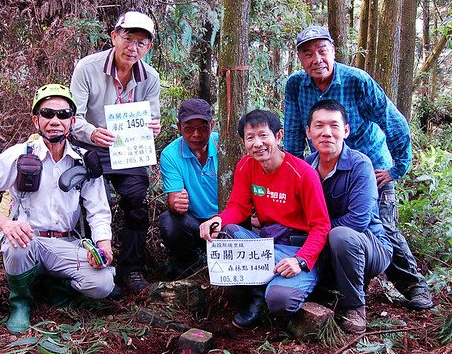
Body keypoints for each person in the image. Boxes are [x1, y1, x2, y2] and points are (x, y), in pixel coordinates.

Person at [284, 25, 434, 310]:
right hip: (324, 171)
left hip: (371, 168)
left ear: (333, 52)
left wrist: (397, 168)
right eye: (308, 54)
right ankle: (333, 286)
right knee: (325, 226)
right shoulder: (295, 85)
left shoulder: (356, 81)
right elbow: (293, 134)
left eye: (322, 51)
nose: (316, 59)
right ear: (300, 60)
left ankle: (414, 286)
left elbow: (394, 122)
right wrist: (294, 176)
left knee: (382, 227)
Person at [0, 84, 117, 334]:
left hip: (66, 243)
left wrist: (103, 245)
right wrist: (5, 223)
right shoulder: (20, 155)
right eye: (47, 113)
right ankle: (20, 302)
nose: (55, 120)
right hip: (28, 240)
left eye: (63, 114)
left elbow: (98, 210)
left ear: (72, 121)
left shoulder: (85, 161)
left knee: (103, 284)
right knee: (16, 245)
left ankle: (57, 286)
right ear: (36, 120)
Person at [199, 109, 330, 329]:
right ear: (243, 141)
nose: (258, 143)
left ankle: (303, 282)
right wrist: (218, 219)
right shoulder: (246, 166)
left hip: (296, 248)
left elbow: (321, 226)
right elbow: (238, 208)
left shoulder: (303, 173)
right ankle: (256, 294)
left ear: (278, 137)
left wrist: (301, 260)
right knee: (226, 231)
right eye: (250, 137)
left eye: (263, 135)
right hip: (267, 244)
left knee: (280, 301)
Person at [70, 11, 161, 293]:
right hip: (90, 145)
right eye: (128, 39)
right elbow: (73, 117)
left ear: (149, 47)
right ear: (114, 37)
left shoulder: (150, 76)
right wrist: (92, 133)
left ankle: (130, 270)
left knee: (136, 200)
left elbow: (152, 117)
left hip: (127, 149)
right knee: (89, 201)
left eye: (141, 43)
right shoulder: (88, 68)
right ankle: (85, 263)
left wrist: (153, 128)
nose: (133, 48)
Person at [305, 99, 392, 333]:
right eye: (319, 126)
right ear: (309, 132)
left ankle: (355, 307)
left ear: (345, 131)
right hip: (326, 243)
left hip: (368, 246)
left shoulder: (360, 165)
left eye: (334, 126)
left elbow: (358, 221)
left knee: (341, 235)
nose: (326, 133)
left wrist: (314, 232)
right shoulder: (305, 167)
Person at [158, 98, 218, 278]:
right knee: (169, 222)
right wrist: (177, 203)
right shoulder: (171, 154)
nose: (196, 134)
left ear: (212, 125)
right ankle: (193, 263)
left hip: (225, 221)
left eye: (203, 128)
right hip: (195, 225)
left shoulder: (224, 146)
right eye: (189, 128)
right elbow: (174, 200)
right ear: (179, 127)